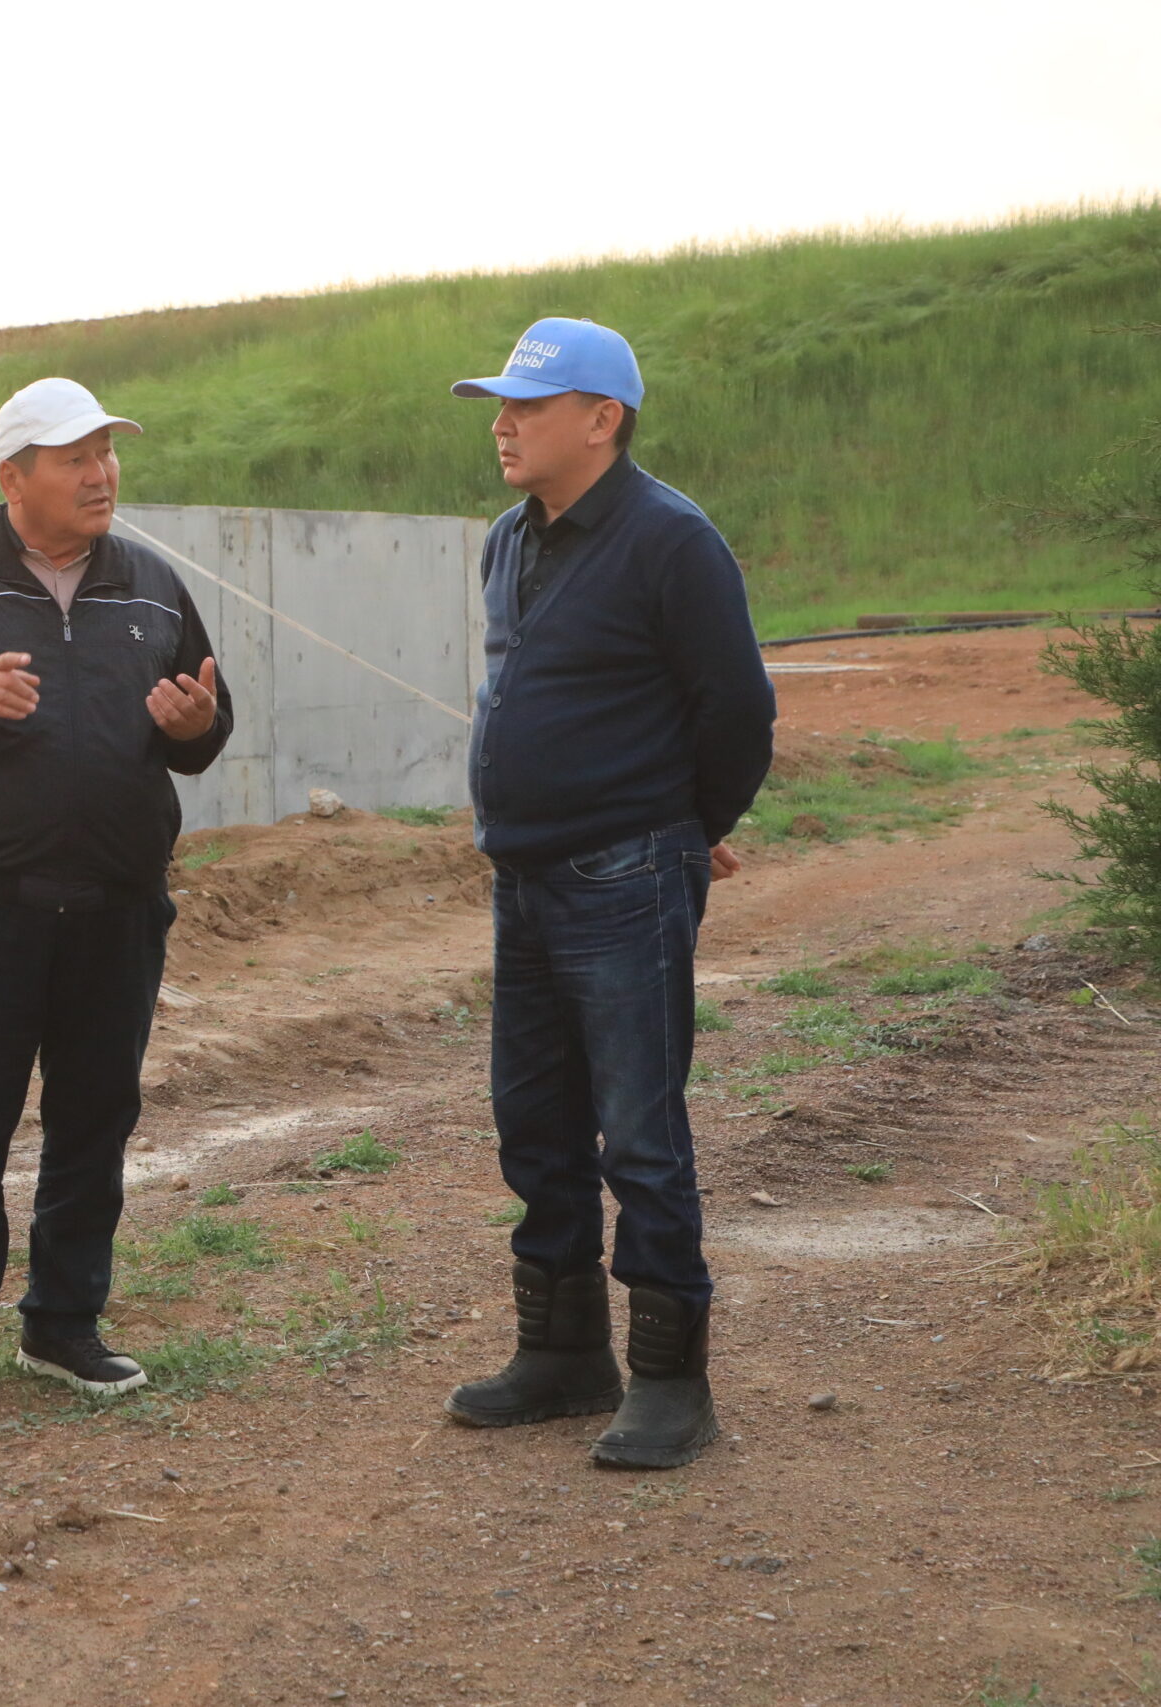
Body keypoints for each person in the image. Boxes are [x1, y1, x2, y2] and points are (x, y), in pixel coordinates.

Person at [0, 376, 232, 1430]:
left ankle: (64, 1322)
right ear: (13, 478)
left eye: (107, 453)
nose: (101, 474)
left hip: (119, 903)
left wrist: (196, 725)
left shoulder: (153, 585)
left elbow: (206, 728)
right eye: (75, 459)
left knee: (93, 1120)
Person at [439, 318, 777, 1469]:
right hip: (523, 879)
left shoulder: (671, 541)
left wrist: (685, 830)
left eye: (526, 406)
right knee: (534, 1124)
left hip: (625, 880)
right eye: (498, 404)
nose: (501, 424)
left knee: (638, 1132)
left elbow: (737, 711)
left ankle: (672, 1382)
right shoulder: (506, 540)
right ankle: (563, 1352)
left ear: (601, 419)